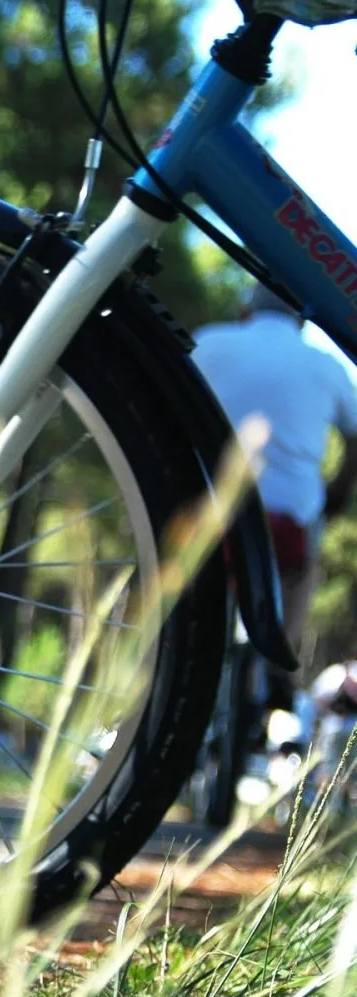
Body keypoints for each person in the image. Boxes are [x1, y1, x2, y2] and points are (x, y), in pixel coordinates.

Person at [192, 283, 357, 696]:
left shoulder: (208, 342)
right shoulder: (325, 365)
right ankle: (278, 666)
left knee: (177, 578)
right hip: (289, 517)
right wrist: (338, 492)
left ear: (246, 310)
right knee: (300, 570)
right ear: (301, 321)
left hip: (209, 512)